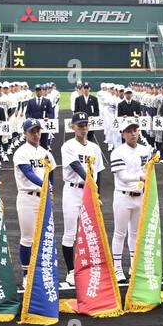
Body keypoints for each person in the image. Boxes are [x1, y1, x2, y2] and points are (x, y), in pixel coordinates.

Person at [59, 112, 107, 287]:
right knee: (70, 232)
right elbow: (77, 167)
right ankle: (71, 271)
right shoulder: (68, 146)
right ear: (73, 127)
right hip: (73, 191)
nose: (83, 127)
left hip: (89, 191)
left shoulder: (94, 147)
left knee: (90, 232)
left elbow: (99, 172)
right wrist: (92, 187)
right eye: (80, 125)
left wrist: (97, 193)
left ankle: (87, 267)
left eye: (85, 124)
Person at [108, 120, 154, 282]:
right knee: (120, 233)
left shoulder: (145, 150)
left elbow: (148, 169)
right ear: (122, 134)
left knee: (135, 233)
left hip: (139, 196)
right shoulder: (118, 152)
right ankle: (117, 267)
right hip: (123, 196)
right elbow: (123, 177)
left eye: (135, 130)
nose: (133, 133)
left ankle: (134, 265)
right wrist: (141, 177)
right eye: (128, 131)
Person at [12, 118, 53, 274]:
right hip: (27, 198)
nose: (36, 135)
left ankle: (39, 272)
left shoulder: (44, 152)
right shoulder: (21, 152)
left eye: (38, 131)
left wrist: (51, 188)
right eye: (32, 132)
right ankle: (26, 274)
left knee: (42, 238)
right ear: (25, 134)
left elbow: (52, 172)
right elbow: (28, 172)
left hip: (43, 198)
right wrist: (45, 185)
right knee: (28, 238)